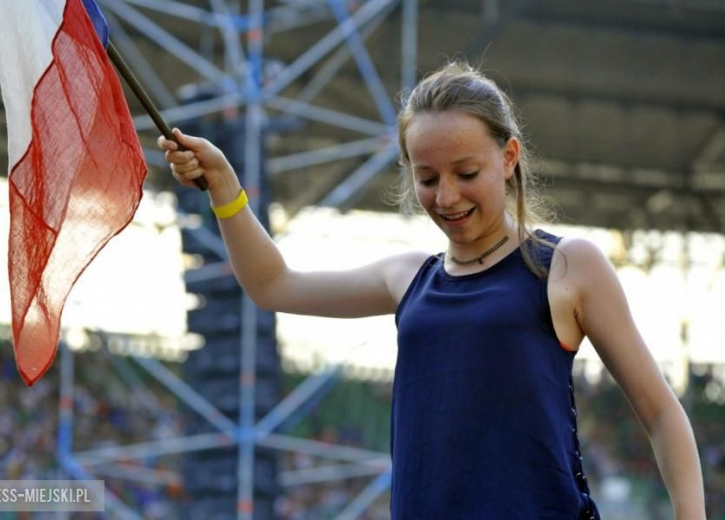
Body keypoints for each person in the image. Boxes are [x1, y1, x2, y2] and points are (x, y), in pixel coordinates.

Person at [158, 62, 706, 519]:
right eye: (427, 178)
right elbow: (273, 285)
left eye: (466, 172)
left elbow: (660, 412)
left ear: (509, 157)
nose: (446, 197)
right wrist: (226, 189)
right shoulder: (408, 278)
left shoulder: (566, 266)